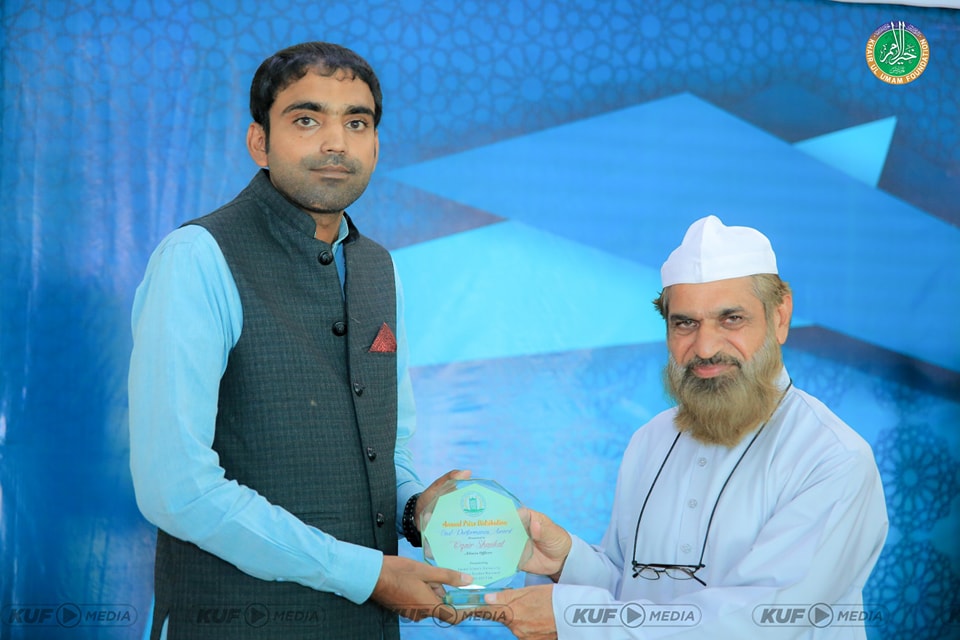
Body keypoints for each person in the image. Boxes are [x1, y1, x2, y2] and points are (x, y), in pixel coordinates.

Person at [128, 42, 469, 640]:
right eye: (307, 119)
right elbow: (175, 490)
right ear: (259, 141)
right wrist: (365, 574)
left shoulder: (379, 268)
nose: (336, 143)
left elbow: (386, 452)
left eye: (356, 123)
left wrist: (418, 510)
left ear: (375, 144)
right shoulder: (198, 258)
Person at [486, 216, 888, 639]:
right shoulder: (651, 440)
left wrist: (576, 618)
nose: (705, 347)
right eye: (685, 323)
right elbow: (633, 593)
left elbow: (759, 623)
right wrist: (567, 563)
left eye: (731, 319)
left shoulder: (831, 458)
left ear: (780, 316)